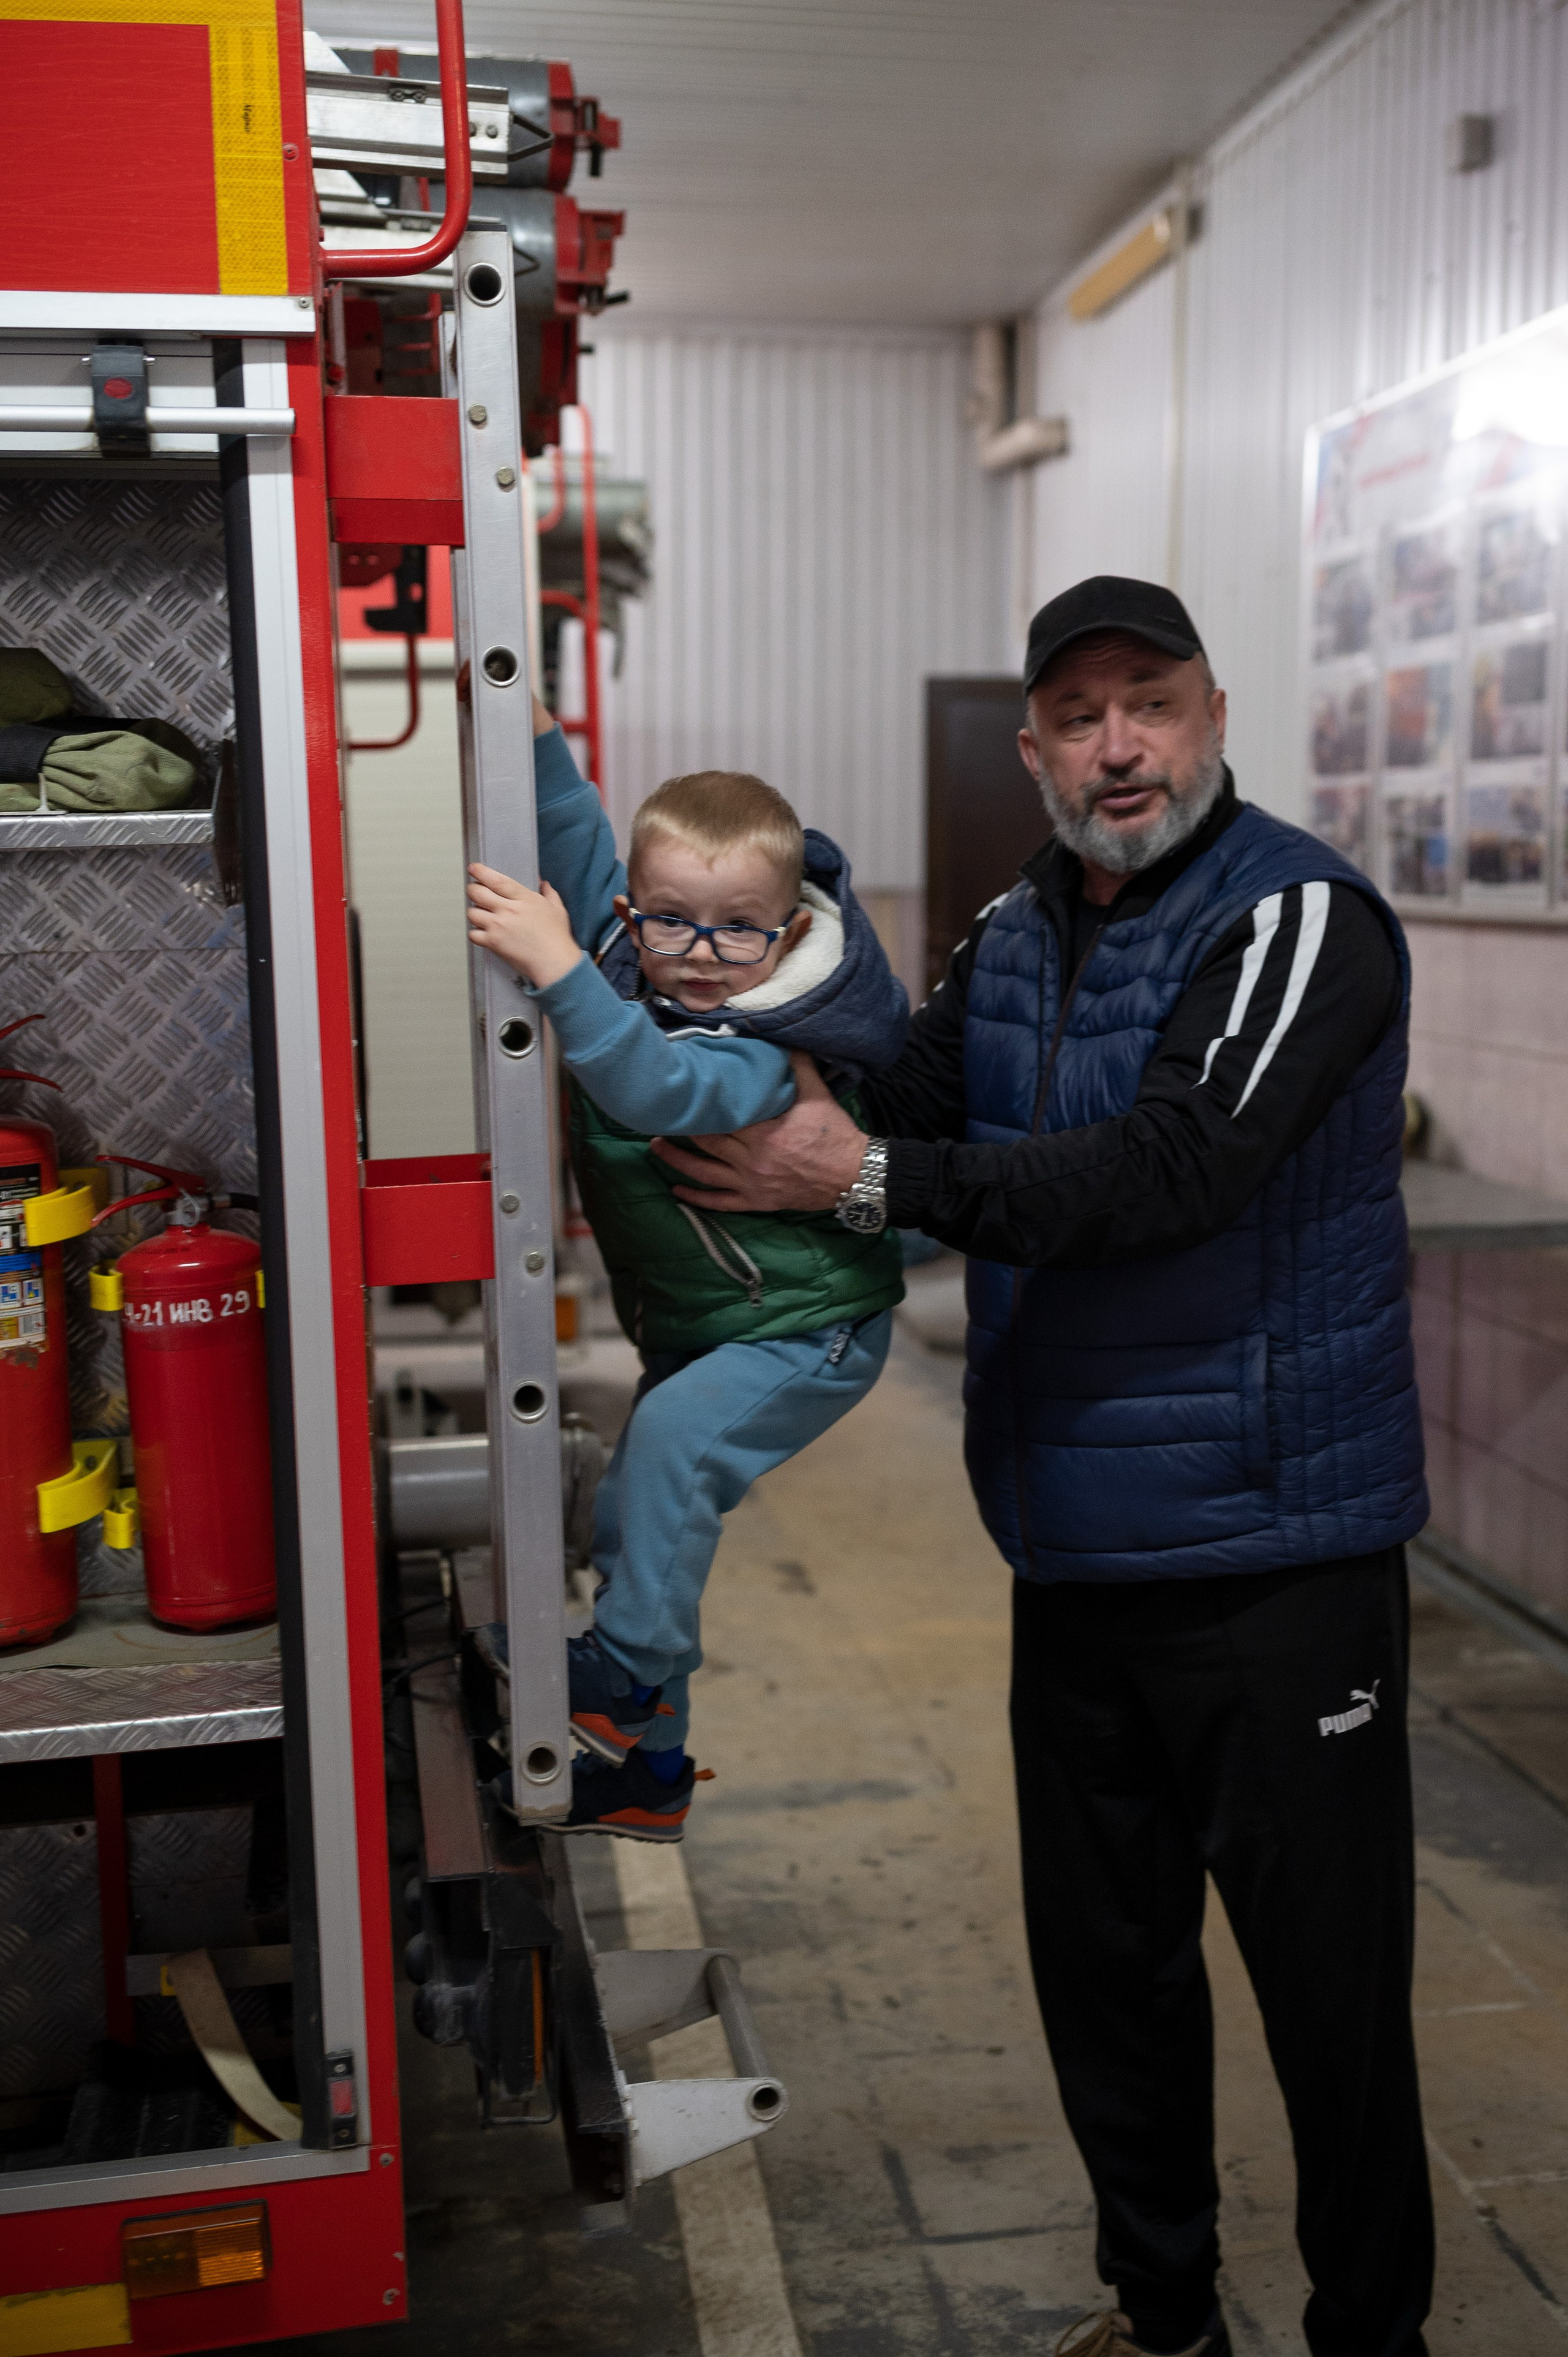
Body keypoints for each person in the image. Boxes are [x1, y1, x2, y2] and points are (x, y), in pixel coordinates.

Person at [649, 578, 1433, 2357]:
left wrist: (853, 1183)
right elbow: (910, 1092)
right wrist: (718, 965)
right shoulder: (1014, 926)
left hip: (1276, 1564)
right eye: (1078, 717)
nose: (1118, 744)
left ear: (1214, 712)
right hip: (1071, 1547)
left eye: (1148, 702)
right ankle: (1166, 2323)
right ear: (1034, 751)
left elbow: (1170, 1176)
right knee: (1113, 1985)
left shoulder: (1302, 917)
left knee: (1332, 2011)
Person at [464, 697, 908, 1841]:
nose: (702, 957)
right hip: (714, 1324)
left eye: (737, 928)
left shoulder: (767, 1036)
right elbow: (572, 833)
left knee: (665, 1459)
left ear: (788, 933)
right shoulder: (635, 960)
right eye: (671, 923)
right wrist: (522, 720)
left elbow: (659, 1090)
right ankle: (648, 1775)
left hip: (810, 1328)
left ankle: (621, 1673)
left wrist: (559, 971)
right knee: (632, 1517)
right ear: (633, 916)